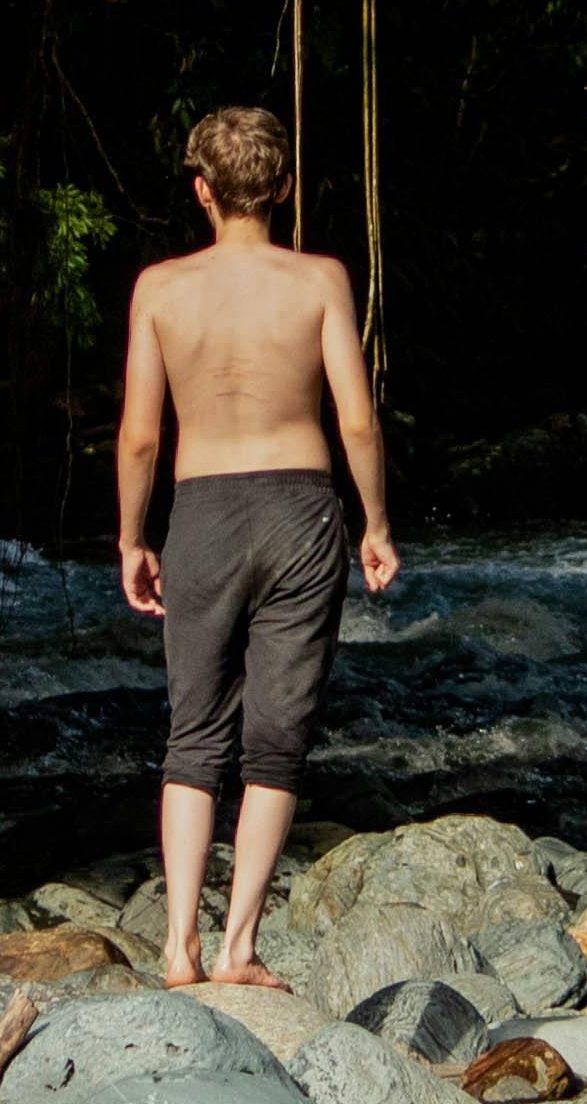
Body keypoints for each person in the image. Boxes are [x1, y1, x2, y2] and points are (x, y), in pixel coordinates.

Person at [116, 101, 397, 992]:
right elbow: (355, 416)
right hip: (301, 511)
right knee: (277, 739)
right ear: (282, 187)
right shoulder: (320, 279)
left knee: (192, 735)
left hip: (199, 511)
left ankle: (176, 948)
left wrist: (132, 536)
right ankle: (238, 945)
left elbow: (138, 437)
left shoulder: (158, 288)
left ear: (201, 192)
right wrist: (376, 523)